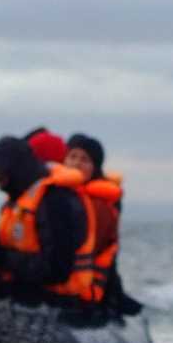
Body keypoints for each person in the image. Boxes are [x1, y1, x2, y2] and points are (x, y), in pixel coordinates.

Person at [0, 136, 108, 309]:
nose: (0, 187)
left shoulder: (55, 200)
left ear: (16, 172)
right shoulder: (22, 198)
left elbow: (56, 269)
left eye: (2, 179)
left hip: (56, 301)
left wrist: (0, 256)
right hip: (27, 291)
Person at [63, 133, 140, 314]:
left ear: (95, 167)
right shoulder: (58, 195)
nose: (76, 163)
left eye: (85, 159)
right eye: (72, 156)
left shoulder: (100, 204)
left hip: (87, 290)